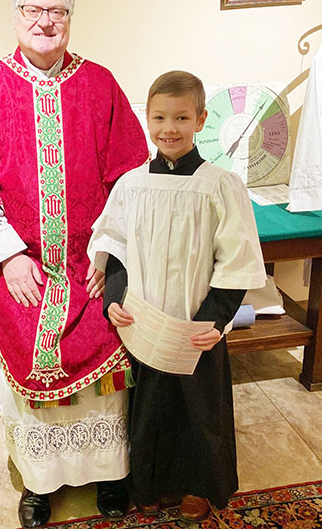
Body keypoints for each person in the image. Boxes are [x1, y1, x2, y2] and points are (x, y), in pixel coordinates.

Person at [0, 0, 148, 528]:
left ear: (69, 20)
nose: (45, 21)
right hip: (23, 264)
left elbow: (130, 177)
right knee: (26, 344)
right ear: (17, 17)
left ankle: (109, 473)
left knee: (108, 343)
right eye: (34, 10)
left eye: (56, 11)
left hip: (91, 262)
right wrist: (7, 258)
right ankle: (40, 483)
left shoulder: (100, 83)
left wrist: (111, 252)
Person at [88, 71, 266, 522]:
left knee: (198, 410)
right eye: (160, 117)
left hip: (196, 323)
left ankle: (199, 485)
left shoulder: (220, 186)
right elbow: (117, 247)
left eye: (182, 117)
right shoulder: (131, 185)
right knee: (151, 408)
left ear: (201, 119)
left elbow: (237, 258)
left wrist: (215, 317)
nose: (170, 128)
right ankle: (149, 484)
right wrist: (115, 297)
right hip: (145, 320)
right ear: (146, 119)